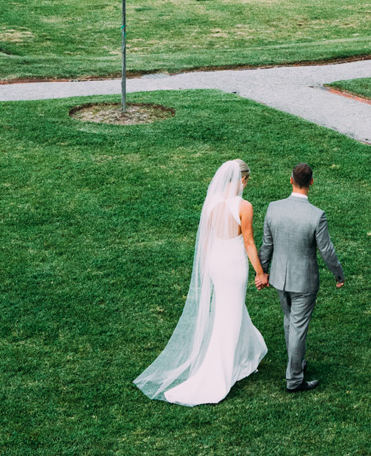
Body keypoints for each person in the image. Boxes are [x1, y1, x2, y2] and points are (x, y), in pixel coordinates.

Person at [134, 159, 269, 406]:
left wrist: (207, 265)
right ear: (242, 180)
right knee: (229, 315)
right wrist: (260, 272)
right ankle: (220, 371)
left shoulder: (213, 202)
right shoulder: (244, 206)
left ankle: (251, 351)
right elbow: (249, 243)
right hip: (233, 266)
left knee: (229, 309)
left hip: (216, 264)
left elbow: (206, 239)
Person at [258, 163, 344, 393]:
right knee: (297, 326)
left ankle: (295, 363)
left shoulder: (273, 208)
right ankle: (294, 378)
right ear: (312, 182)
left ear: (290, 180)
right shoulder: (316, 215)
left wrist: (262, 271)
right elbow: (327, 251)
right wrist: (338, 274)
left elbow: (267, 245)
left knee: (290, 321)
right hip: (304, 281)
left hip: (279, 278)